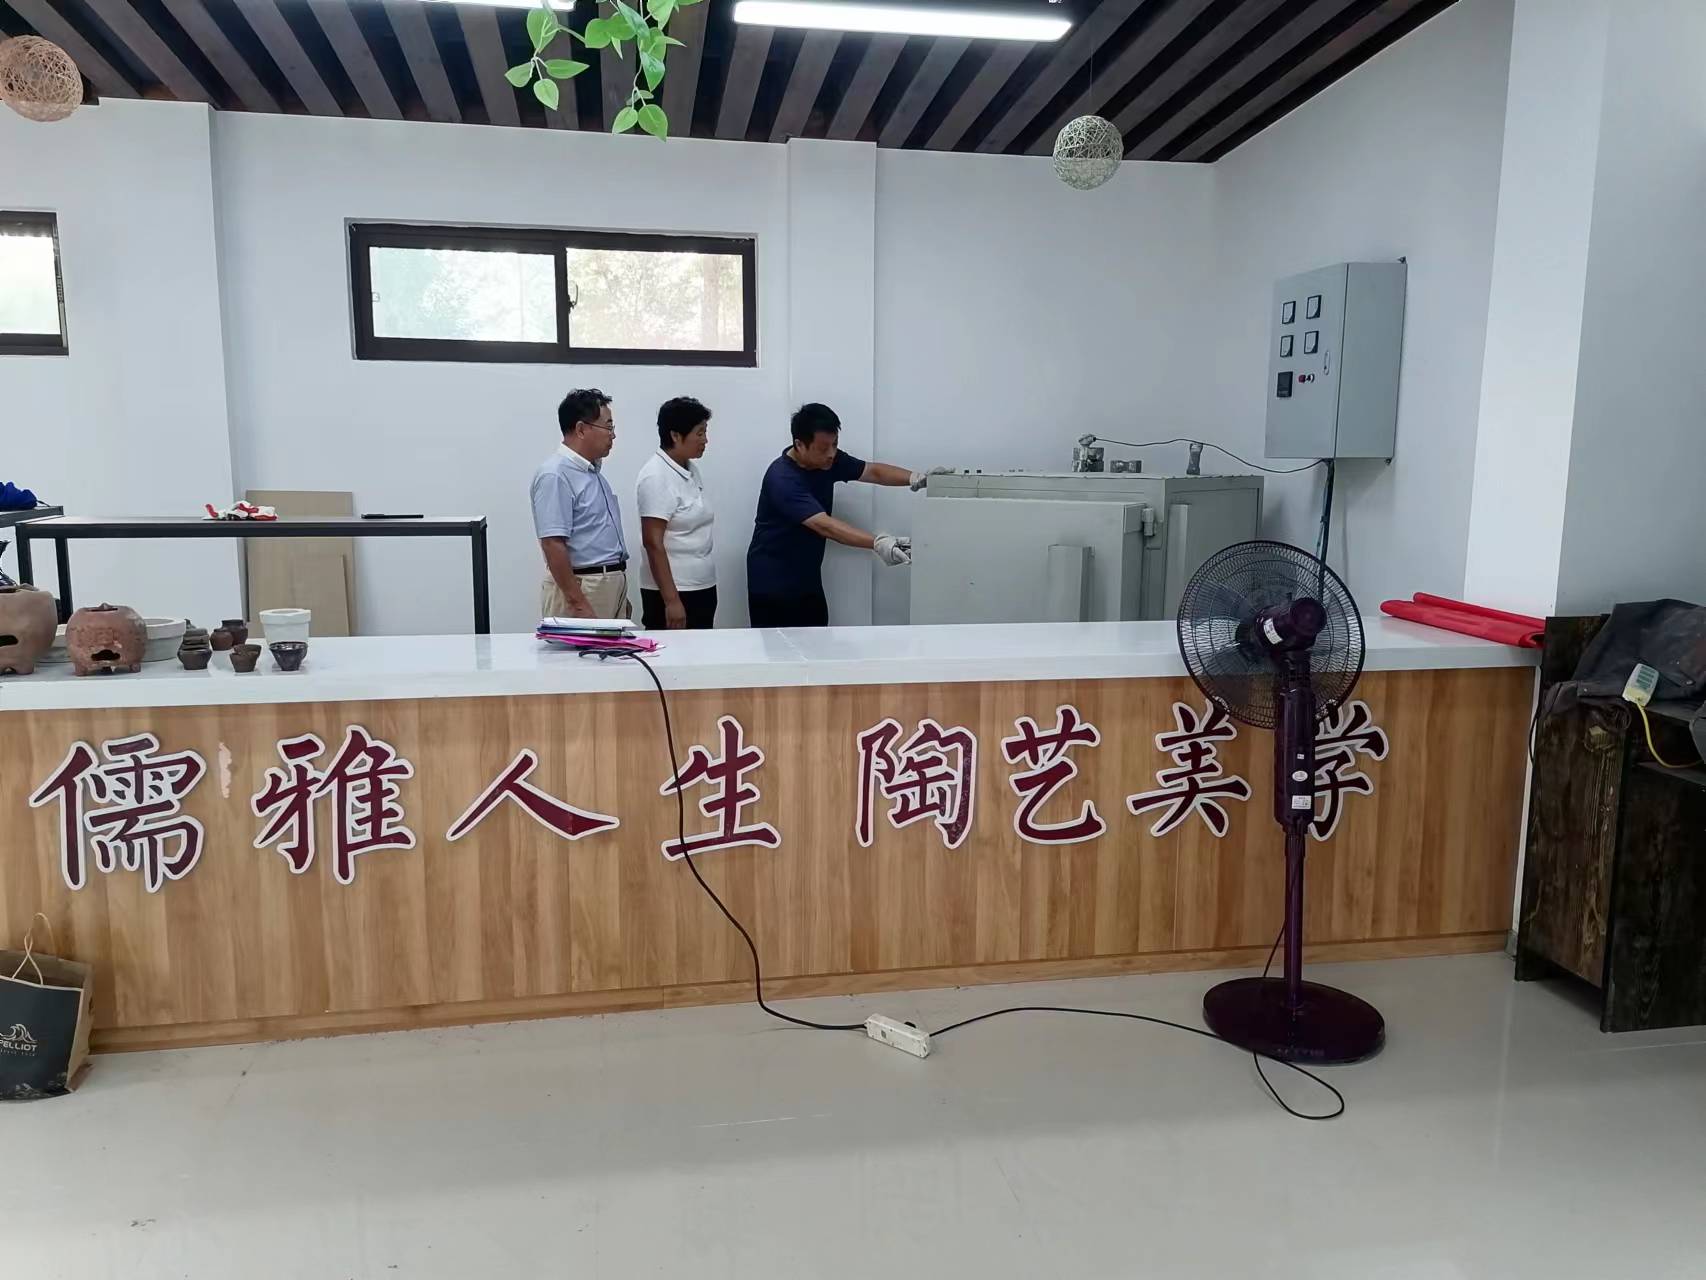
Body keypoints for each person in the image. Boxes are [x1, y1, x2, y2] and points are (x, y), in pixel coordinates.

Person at [745, 402, 948, 628]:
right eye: (824, 448)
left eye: (835, 444)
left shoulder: (828, 461)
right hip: (772, 583)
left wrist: (917, 478)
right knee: (778, 648)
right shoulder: (782, 479)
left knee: (817, 641)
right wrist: (878, 542)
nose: (832, 454)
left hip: (807, 578)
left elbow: (873, 471)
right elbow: (825, 526)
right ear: (799, 444)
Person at [530, 388, 631, 620]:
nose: (613, 435)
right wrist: (579, 604)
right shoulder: (555, 474)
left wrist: (618, 592)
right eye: (608, 427)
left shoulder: (592, 473)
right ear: (581, 429)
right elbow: (552, 543)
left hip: (605, 586)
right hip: (583, 589)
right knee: (580, 647)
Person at [636, 396, 718, 630]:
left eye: (705, 432)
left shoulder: (690, 469)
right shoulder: (655, 476)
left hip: (701, 586)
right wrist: (671, 600)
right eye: (699, 433)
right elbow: (653, 543)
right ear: (675, 435)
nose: (705, 440)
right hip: (674, 592)